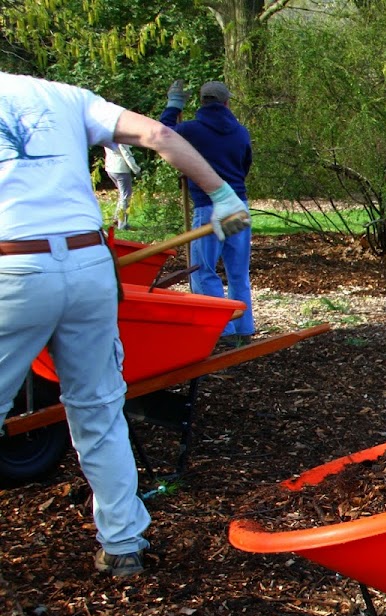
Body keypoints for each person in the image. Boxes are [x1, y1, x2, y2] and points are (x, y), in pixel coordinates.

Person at [0, 71, 250, 577]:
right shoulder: (62, 95)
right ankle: (122, 543)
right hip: (88, 264)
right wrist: (223, 195)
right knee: (98, 410)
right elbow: (156, 134)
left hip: (12, 265)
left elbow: (164, 128)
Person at [159, 80, 255, 344]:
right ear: (226, 103)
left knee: (203, 270)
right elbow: (245, 164)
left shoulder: (191, 130)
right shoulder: (240, 132)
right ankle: (243, 328)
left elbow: (160, 136)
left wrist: (173, 105)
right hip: (236, 205)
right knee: (238, 271)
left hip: (209, 207)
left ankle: (220, 329)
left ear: (202, 101)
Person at [103, 143, 140, 229]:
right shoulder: (120, 139)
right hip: (120, 169)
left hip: (110, 168)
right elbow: (126, 154)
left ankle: (116, 219)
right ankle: (122, 224)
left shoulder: (109, 137)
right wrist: (136, 170)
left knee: (122, 195)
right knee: (126, 197)